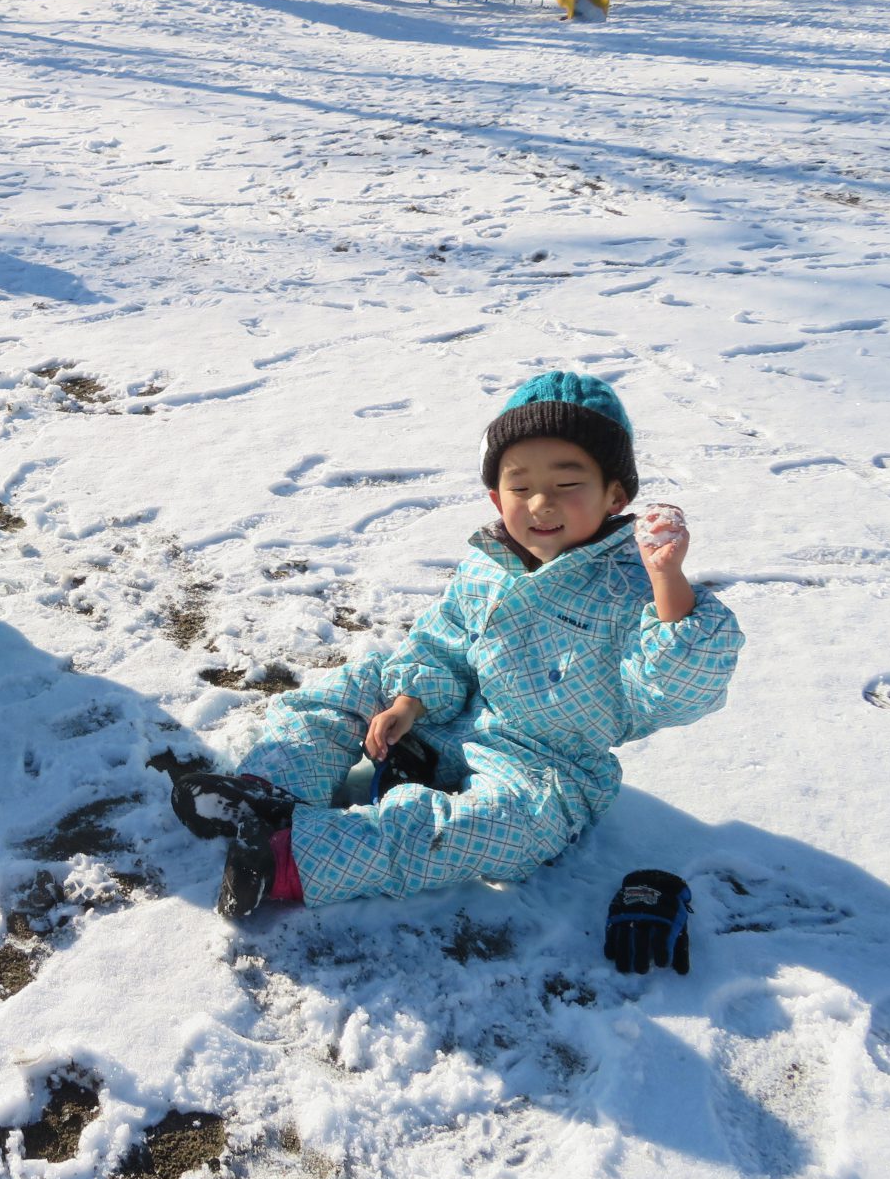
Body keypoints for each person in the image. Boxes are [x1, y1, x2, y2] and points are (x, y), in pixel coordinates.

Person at [171, 372, 745, 919]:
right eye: (521, 487)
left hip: (543, 767)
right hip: (445, 717)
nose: (541, 504)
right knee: (358, 682)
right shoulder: (487, 563)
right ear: (497, 497)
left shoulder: (633, 586)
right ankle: (271, 790)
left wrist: (668, 580)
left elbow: (676, 692)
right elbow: (442, 640)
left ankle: (295, 860)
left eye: (567, 485)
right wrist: (408, 703)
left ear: (615, 494)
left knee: (496, 831)